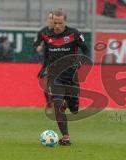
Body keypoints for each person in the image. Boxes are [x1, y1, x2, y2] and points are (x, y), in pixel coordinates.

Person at [38, 9, 89, 145]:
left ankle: (68, 103)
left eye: (60, 23)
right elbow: (47, 55)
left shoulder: (74, 34)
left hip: (71, 77)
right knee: (57, 105)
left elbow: (86, 49)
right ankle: (66, 137)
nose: (57, 26)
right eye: (55, 22)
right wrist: (44, 68)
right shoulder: (46, 35)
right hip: (55, 77)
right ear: (52, 21)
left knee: (74, 110)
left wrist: (81, 61)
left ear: (64, 21)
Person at [33, 11, 54, 109]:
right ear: (47, 19)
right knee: (45, 83)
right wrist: (38, 47)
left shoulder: (62, 32)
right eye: (50, 18)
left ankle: (55, 100)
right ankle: (49, 103)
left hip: (59, 61)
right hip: (47, 61)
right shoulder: (42, 32)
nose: (52, 20)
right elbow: (36, 44)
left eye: (53, 18)